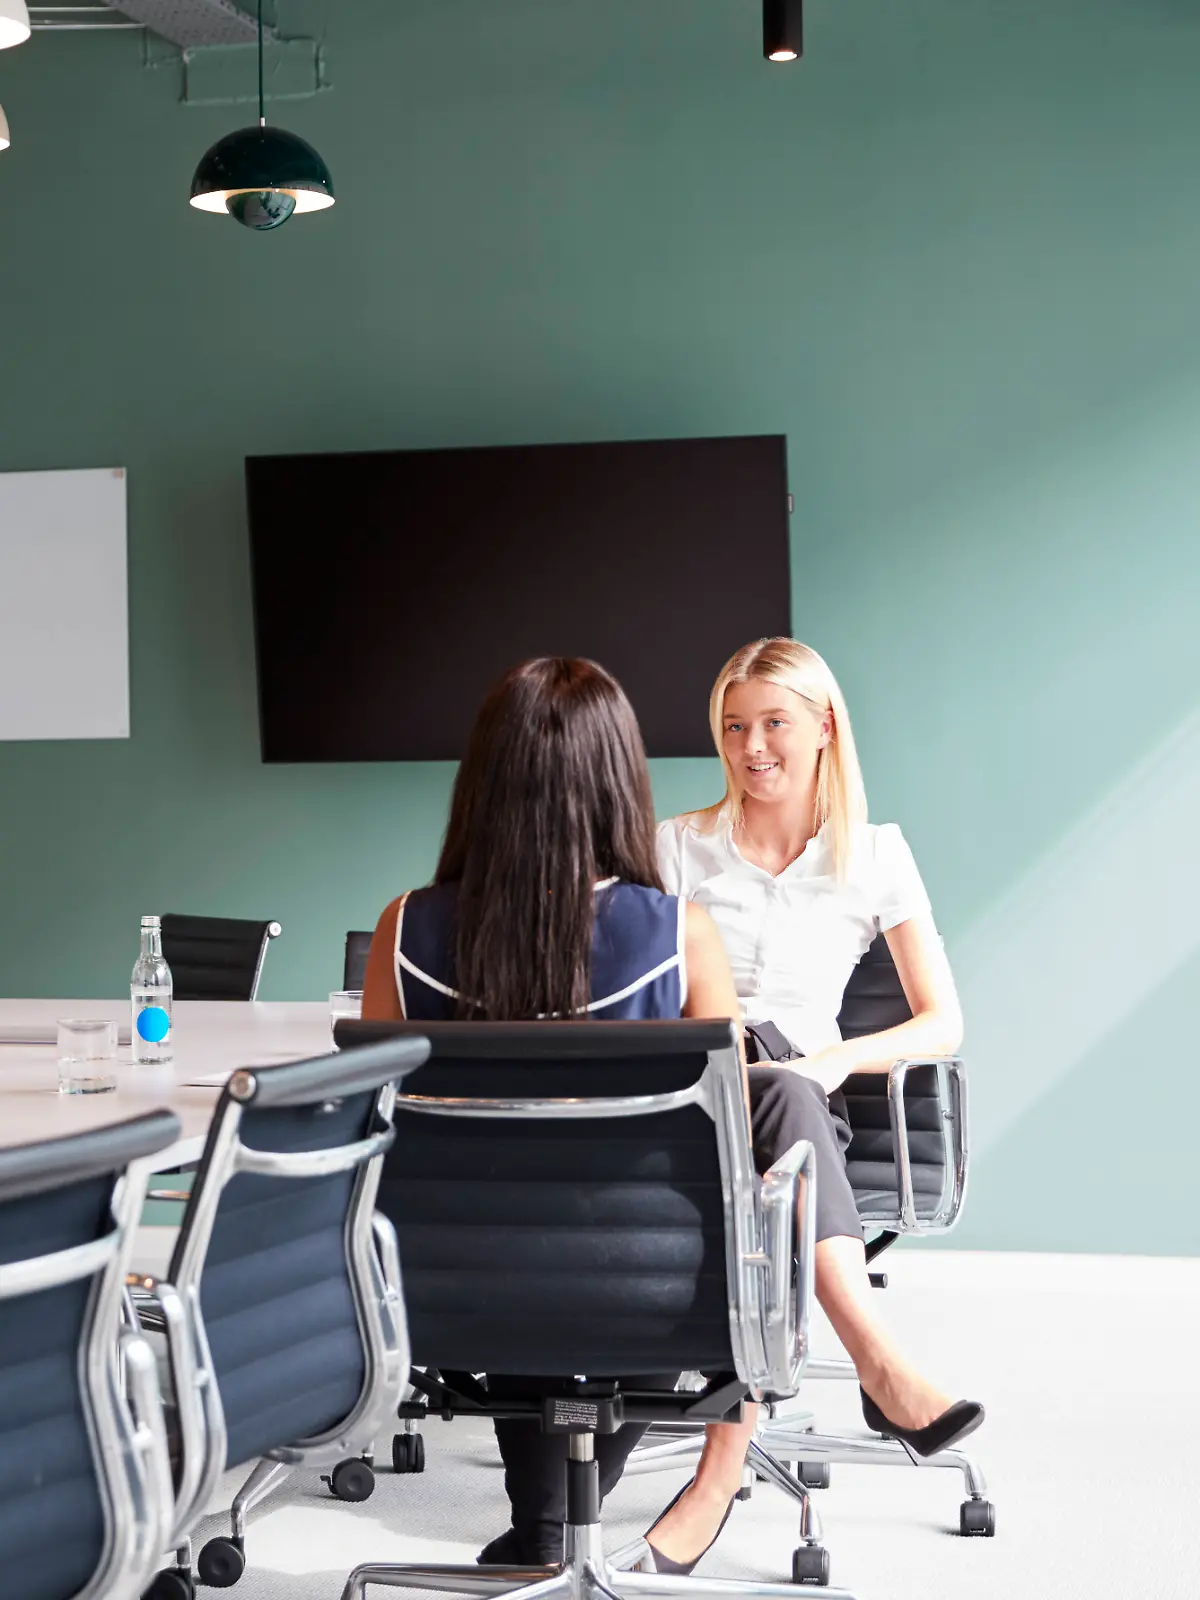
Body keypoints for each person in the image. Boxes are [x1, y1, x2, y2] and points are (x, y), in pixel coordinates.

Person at [360, 655, 747, 1569]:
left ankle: (542, 1527)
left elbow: (368, 1118)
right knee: (672, 1233)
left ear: (482, 783)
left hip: (449, 1287)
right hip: (650, 1291)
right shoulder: (677, 934)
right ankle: (559, 1524)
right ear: (619, 780)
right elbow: (723, 1145)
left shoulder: (404, 929)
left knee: (514, 1227)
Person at [644, 636, 983, 1572]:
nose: (753, 746)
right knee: (763, 1109)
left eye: (774, 723)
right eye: (733, 727)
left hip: (801, 1089)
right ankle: (881, 1367)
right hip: (688, 1089)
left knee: (785, 1102)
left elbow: (940, 1021)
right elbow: (644, 986)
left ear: (826, 726)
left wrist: (840, 1059)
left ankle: (716, 1476)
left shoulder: (875, 856)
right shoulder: (679, 845)